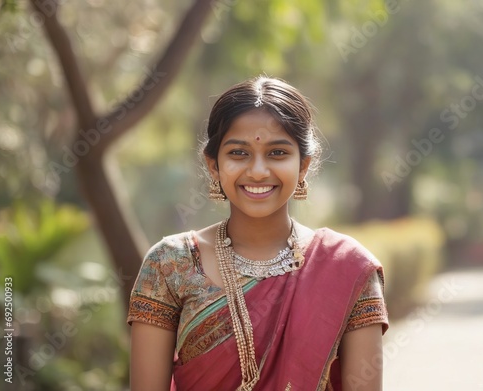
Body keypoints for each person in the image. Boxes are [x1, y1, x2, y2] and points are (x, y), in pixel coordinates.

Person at [127, 76, 388, 391]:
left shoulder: (348, 268)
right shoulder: (170, 264)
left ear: (303, 165)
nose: (258, 171)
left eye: (278, 153)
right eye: (239, 153)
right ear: (214, 165)